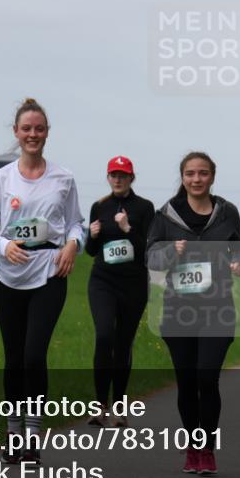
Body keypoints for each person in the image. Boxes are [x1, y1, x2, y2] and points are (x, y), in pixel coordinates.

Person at [0, 98, 85, 465]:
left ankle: (34, 436)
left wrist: (73, 244)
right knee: (14, 359)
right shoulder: (0, 179)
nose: (33, 134)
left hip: (50, 273)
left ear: (47, 133)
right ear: (16, 133)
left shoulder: (63, 179)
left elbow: (76, 223)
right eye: (27, 129)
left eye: (39, 129)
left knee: (34, 356)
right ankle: (13, 433)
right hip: (8, 277)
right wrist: (4, 246)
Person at [146, 152, 240, 476]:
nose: (196, 179)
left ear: (212, 177)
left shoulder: (227, 212)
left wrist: (238, 263)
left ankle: (207, 447)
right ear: (183, 177)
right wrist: (168, 251)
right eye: (190, 173)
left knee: (207, 378)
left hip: (218, 308)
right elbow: (150, 257)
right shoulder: (166, 215)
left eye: (203, 173)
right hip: (179, 310)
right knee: (187, 383)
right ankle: (192, 445)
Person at [84, 156, 155, 428]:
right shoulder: (99, 207)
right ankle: (100, 405)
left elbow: (150, 251)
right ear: (108, 177)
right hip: (103, 280)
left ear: (131, 178)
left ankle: (119, 406)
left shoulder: (145, 208)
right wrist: (92, 235)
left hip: (134, 283)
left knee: (123, 344)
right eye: (113, 174)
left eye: (123, 175)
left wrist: (128, 229)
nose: (117, 179)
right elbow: (91, 251)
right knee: (104, 336)